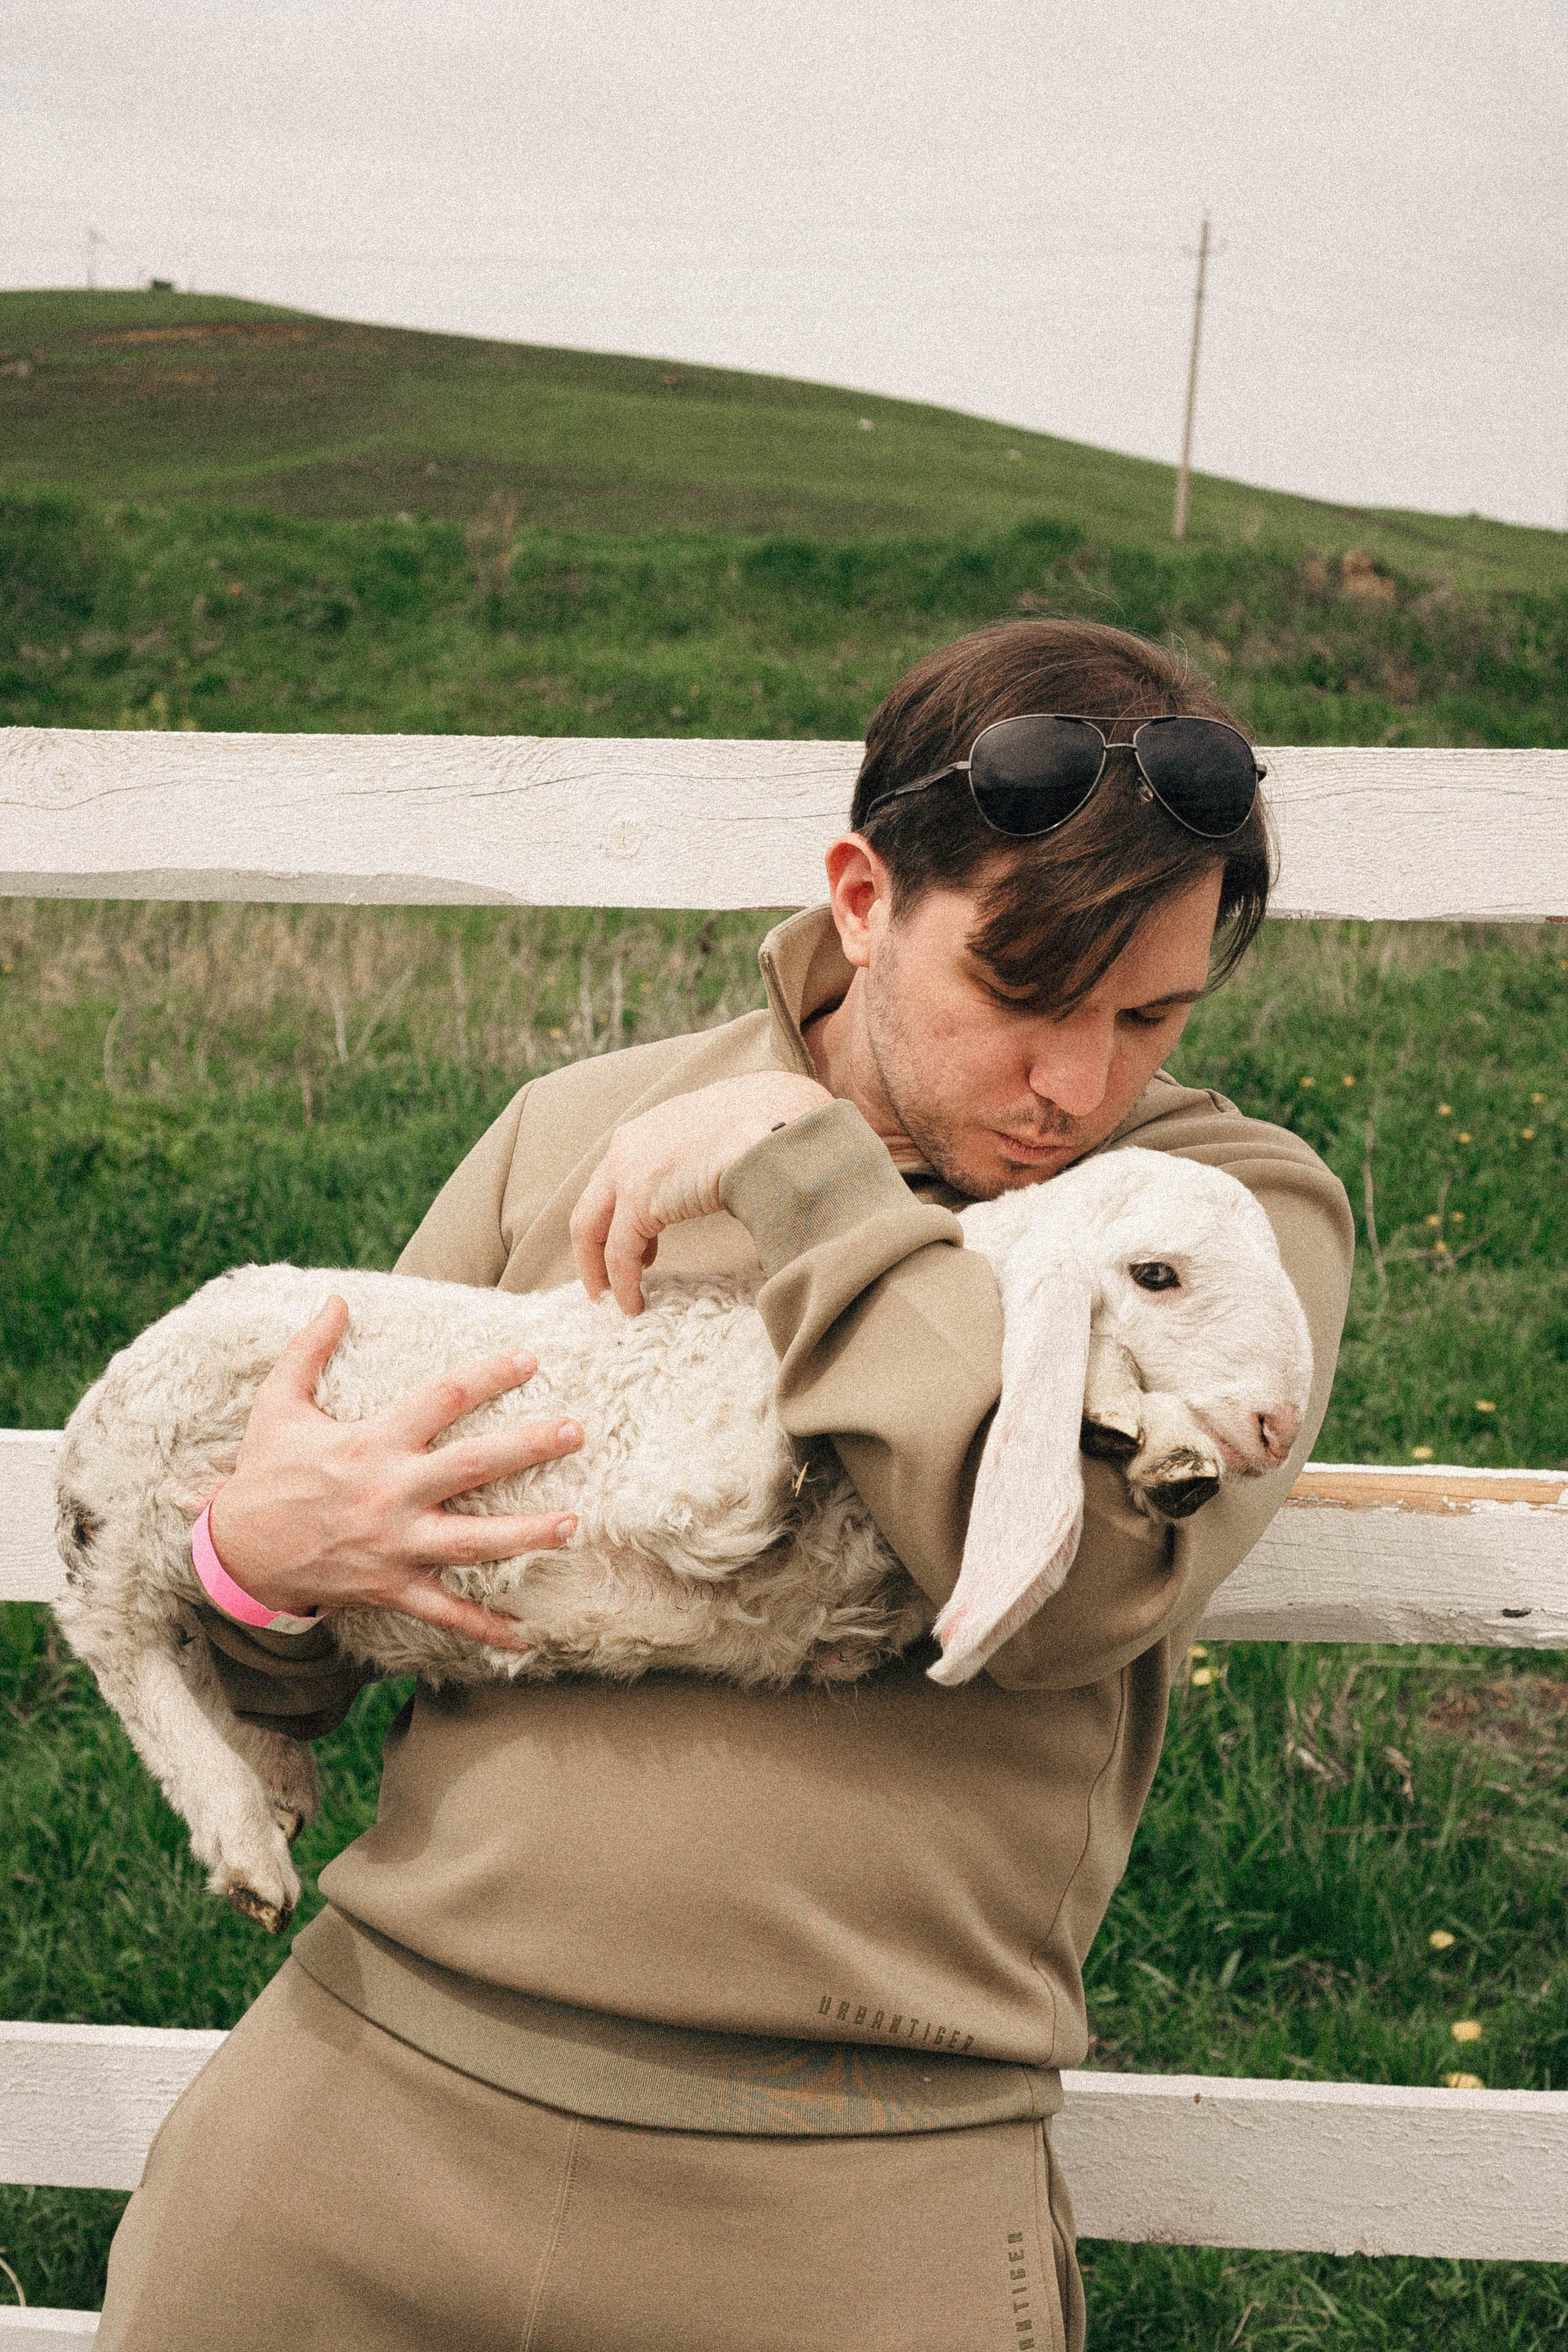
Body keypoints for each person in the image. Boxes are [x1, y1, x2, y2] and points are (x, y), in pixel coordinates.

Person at [96, 619, 1353, 2352]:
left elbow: (1068, 1594)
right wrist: (257, 1570)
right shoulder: (576, 1129)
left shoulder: (1212, 1217)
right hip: (362, 2116)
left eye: (1149, 1014)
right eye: (1025, 994)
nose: (1079, 1088)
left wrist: (809, 1182)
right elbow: (307, 1662)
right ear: (860, 899)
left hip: (847, 2196)